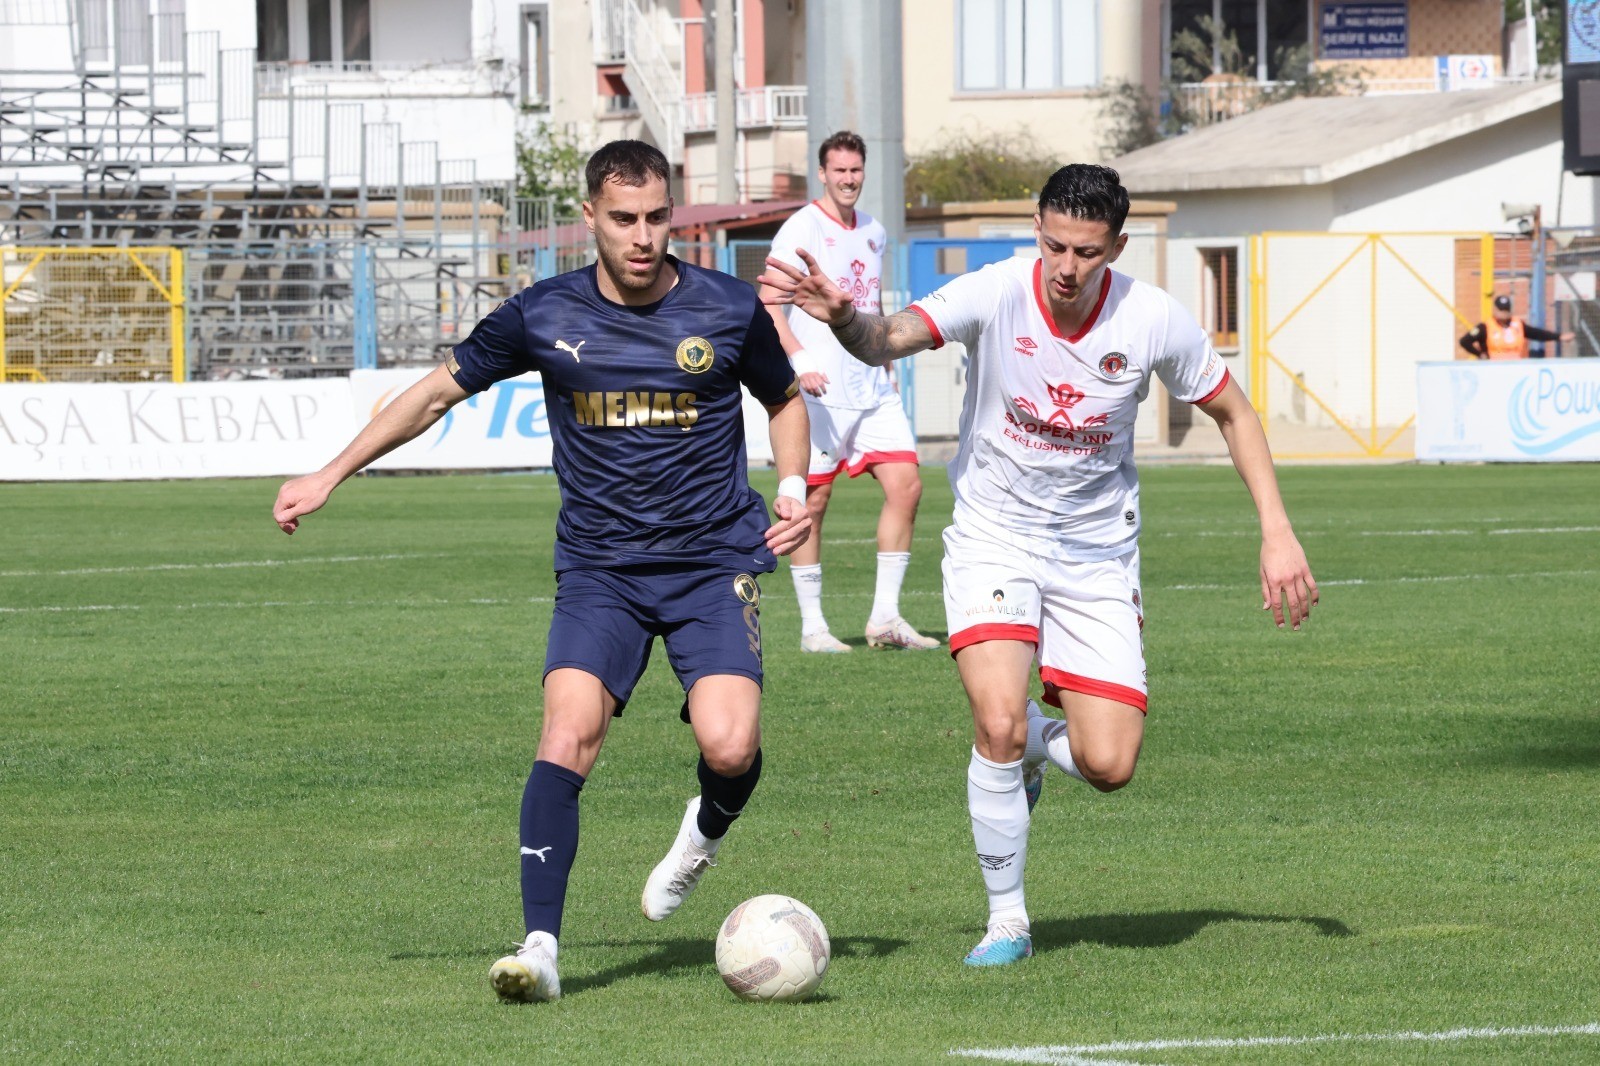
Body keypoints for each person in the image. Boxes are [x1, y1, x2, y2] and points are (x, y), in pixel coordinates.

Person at [272, 140, 812, 1003]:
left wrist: (791, 487)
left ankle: (702, 836)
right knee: (566, 733)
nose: (642, 237)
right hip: (601, 569)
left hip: (712, 560)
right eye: (624, 219)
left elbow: (784, 399)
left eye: (656, 218)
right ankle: (541, 947)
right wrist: (329, 473)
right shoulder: (541, 313)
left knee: (730, 742)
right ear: (590, 218)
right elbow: (433, 395)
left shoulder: (726, 308)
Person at [761, 163, 1317, 967]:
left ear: (1117, 247)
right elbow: (889, 339)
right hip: (994, 536)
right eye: (1053, 244)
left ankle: (1029, 750)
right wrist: (849, 320)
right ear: (1036, 231)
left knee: (1110, 764)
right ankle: (1008, 921)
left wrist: (1277, 530)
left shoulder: (1153, 317)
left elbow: (1232, 409)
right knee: (996, 718)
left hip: (1096, 555)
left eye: (1086, 252)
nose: (1065, 266)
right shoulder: (994, 293)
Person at [758, 130, 939, 654]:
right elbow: (768, 302)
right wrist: (799, 357)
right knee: (813, 498)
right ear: (823, 173)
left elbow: (873, 302)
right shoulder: (802, 226)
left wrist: (884, 356)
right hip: (818, 390)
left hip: (870, 384)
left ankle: (885, 619)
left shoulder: (876, 231)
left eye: (856, 170)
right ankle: (814, 627)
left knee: (907, 486)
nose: (848, 179)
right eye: (839, 170)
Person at [1459, 295, 1573, 359]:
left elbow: (1536, 333)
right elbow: (1464, 341)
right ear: (1495, 310)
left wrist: (1558, 337)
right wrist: (1480, 354)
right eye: (1501, 311)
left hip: (1515, 368)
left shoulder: (1517, 325)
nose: (1504, 314)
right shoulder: (1484, 327)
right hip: (1492, 370)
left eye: (1506, 311)